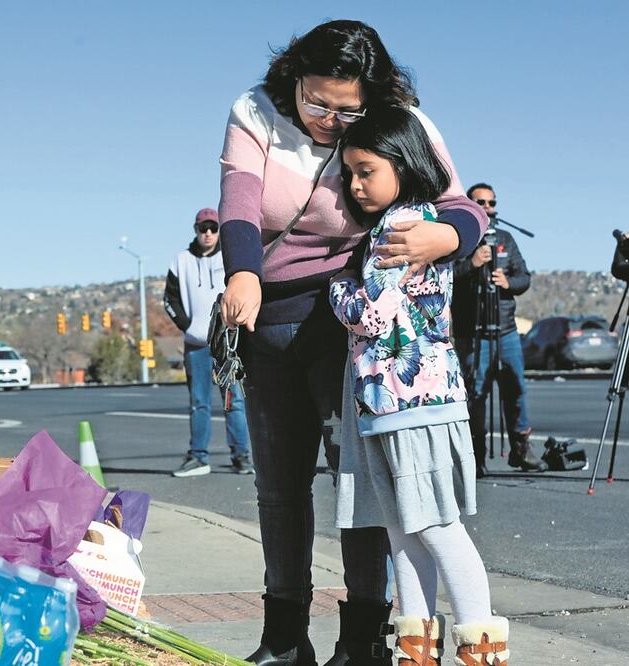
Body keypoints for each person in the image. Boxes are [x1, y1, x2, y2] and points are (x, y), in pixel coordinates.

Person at [215, 20, 488, 665]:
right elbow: (238, 203)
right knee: (280, 487)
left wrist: (444, 237)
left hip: (353, 321)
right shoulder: (255, 110)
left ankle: (364, 637)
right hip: (273, 313)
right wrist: (244, 273)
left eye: (348, 109)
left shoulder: (400, 121)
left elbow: (462, 204)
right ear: (294, 81)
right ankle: (283, 638)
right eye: (318, 102)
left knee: (362, 485)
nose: (332, 121)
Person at [330, 107, 509, 665]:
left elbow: (372, 315)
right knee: (405, 531)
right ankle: (417, 651)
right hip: (395, 404)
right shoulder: (415, 220)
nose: (356, 184)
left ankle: (480, 645)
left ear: (403, 165)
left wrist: (336, 284)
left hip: (412, 404)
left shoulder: (401, 227)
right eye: (350, 173)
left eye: (367, 171)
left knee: (434, 527)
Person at [451, 183, 545, 475]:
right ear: (469, 204)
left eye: (492, 203)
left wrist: (508, 282)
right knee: (476, 393)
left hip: (505, 330)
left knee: (516, 387)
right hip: (473, 332)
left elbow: (524, 278)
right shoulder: (457, 239)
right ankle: (475, 456)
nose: (488, 208)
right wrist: (471, 263)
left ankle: (521, 450)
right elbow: (445, 279)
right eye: (481, 202)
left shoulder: (505, 239)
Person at [164, 207, 254, 477]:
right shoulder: (181, 261)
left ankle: (241, 456)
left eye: (213, 228)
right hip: (196, 345)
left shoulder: (230, 258)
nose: (208, 233)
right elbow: (169, 299)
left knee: (234, 402)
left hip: (227, 344)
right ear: (196, 230)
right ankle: (198, 457)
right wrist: (187, 324)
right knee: (199, 402)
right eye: (203, 228)